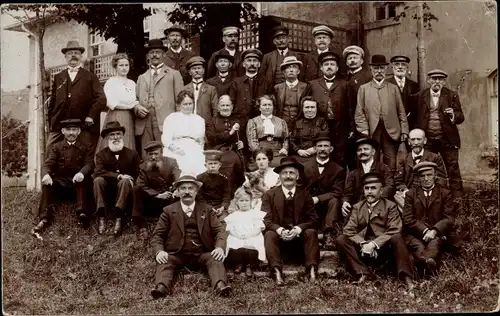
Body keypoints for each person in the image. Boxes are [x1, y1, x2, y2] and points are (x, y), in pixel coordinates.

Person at [150, 175, 231, 298]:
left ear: (196, 191)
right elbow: (158, 235)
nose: (187, 191)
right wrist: (159, 251)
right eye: (183, 188)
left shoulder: (207, 210)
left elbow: (220, 231)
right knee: (165, 260)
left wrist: (219, 247)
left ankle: (220, 285)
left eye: (190, 188)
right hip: (177, 254)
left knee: (215, 259)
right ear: (177, 191)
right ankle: (161, 287)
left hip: (202, 253)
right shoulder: (168, 210)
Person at [335, 172, 414, 288]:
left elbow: (395, 229)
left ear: (381, 191)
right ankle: (363, 272)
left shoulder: (390, 206)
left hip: (383, 250)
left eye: (373, 188)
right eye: (366, 188)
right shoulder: (358, 207)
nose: (369, 192)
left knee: (397, 237)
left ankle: (406, 277)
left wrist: (374, 244)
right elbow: (348, 230)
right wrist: (363, 243)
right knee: (341, 239)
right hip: (363, 251)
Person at [263, 157, 320, 285]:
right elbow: (266, 220)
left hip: (299, 245)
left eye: (291, 173)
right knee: (269, 233)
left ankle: (312, 270)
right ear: (279, 176)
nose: (288, 176)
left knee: (311, 232)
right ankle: (276, 272)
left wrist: (298, 229)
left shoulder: (305, 195)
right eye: (284, 173)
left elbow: (314, 219)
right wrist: (280, 230)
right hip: (279, 245)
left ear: (297, 176)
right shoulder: (269, 195)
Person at [33, 119, 94, 235]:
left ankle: (82, 213)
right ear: (62, 131)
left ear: (79, 131)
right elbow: (48, 164)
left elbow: (89, 163)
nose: (71, 133)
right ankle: (44, 218)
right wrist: (46, 175)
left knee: (84, 181)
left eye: (74, 130)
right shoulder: (56, 147)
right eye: (68, 130)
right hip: (61, 185)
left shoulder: (86, 146)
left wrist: (81, 173)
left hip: (77, 186)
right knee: (46, 185)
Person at [47, 40, 106, 156]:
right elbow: (53, 101)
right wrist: (51, 121)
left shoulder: (90, 77)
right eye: (70, 53)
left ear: (81, 56)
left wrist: (91, 116)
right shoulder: (59, 77)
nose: (73, 55)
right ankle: (49, 174)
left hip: (83, 123)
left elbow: (101, 98)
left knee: (85, 152)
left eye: (76, 53)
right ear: (65, 57)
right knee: (51, 149)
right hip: (61, 123)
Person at [413, 69, 465, 198]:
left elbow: (461, 116)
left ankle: (459, 204)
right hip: (428, 140)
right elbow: (414, 118)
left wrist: (453, 114)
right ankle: (431, 199)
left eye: (440, 79)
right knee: (427, 169)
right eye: (434, 79)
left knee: (453, 170)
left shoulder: (451, 95)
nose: (437, 82)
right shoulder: (420, 96)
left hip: (447, 139)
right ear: (428, 80)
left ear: (444, 81)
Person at [355, 54, 409, 172]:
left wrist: (404, 130)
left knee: (391, 162)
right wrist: (364, 129)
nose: (379, 71)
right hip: (371, 130)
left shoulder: (393, 88)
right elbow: (359, 112)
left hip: (390, 131)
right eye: (376, 68)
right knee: (372, 161)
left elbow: (401, 111)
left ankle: (390, 187)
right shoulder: (364, 89)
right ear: (371, 70)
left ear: (385, 69)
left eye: (381, 68)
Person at [402, 162, 458, 275]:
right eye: (422, 176)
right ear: (418, 178)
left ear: (435, 175)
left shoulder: (445, 193)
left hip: (437, 233)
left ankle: (423, 263)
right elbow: (407, 218)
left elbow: (449, 217)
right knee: (418, 245)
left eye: (429, 175)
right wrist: (425, 230)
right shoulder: (411, 194)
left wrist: (435, 230)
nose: (426, 179)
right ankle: (430, 265)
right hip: (416, 233)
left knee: (434, 243)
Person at [135, 39, 184, 159]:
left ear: (163, 54)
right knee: (146, 154)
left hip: (165, 120)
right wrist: (137, 108)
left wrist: (178, 122)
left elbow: (181, 100)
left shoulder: (174, 74)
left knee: (165, 153)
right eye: (151, 52)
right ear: (148, 55)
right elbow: (135, 99)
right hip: (144, 120)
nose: (154, 55)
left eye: (157, 52)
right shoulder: (142, 77)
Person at [93, 121, 141, 236]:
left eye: (118, 134)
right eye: (112, 135)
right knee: (97, 180)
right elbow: (98, 171)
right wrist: (118, 176)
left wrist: (131, 180)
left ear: (122, 135)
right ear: (107, 138)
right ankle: (101, 216)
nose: (116, 137)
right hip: (108, 189)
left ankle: (119, 217)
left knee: (125, 181)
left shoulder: (132, 154)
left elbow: (139, 172)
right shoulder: (101, 155)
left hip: (126, 190)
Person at [305, 51, 350, 167]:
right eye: (326, 64)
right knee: (320, 156)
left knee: (340, 157)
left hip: (340, 128)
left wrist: (352, 127)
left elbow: (351, 107)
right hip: (319, 127)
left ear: (337, 68)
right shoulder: (312, 84)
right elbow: (305, 104)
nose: (329, 67)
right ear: (321, 68)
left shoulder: (345, 84)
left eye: (332, 64)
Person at [302, 132, 345, 249]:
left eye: (326, 146)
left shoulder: (338, 169)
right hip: (308, 204)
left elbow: (337, 191)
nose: (322, 149)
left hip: (327, 205)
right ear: (315, 148)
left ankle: (328, 235)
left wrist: (318, 199)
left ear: (331, 149)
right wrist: (309, 199)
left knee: (335, 200)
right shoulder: (304, 166)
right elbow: (300, 188)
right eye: (319, 146)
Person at [132, 141, 181, 239]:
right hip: (152, 201)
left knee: (181, 192)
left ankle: (174, 226)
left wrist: (176, 189)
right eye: (151, 154)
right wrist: (157, 195)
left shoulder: (172, 162)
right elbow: (140, 184)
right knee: (135, 189)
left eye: (156, 154)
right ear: (147, 155)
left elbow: (178, 179)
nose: (153, 157)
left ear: (162, 153)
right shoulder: (143, 167)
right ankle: (141, 225)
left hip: (168, 199)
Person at [394, 129, 448, 209]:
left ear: (425, 141)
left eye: (419, 139)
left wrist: (431, 191)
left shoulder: (435, 157)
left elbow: (442, 178)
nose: (416, 143)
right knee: (398, 196)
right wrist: (405, 190)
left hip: (429, 192)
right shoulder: (404, 159)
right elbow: (398, 180)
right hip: (410, 193)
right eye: (413, 139)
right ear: (409, 142)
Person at [342, 138, 394, 219]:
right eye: (359, 150)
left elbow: (390, 186)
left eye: (366, 149)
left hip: (380, 205)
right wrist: (345, 202)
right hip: (360, 207)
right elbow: (348, 192)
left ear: (373, 152)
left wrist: (375, 199)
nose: (362, 152)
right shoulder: (353, 173)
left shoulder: (383, 168)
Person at [96, 53, 138, 153]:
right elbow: (110, 102)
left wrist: (131, 106)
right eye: (121, 65)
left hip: (128, 117)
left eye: (126, 65)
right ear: (115, 67)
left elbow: (134, 99)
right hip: (115, 115)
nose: (124, 68)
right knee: (114, 139)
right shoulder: (111, 82)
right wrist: (128, 106)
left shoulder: (132, 83)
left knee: (126, 141)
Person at [205, 95, 245, 193]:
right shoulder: (211, 121)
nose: (225, 108)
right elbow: (212, 139)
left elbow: (242, 137)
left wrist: (242, 143)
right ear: (218, 107)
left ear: (232, 107)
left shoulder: (237, 120)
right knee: (229, 161)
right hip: (217, 151)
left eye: (228, 105)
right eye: (223, 105)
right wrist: (230, 132)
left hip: (234, 150)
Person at [162, 90, 206, 176]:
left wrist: (198, 150)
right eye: (185, 104)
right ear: (178, 105)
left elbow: (201, 141)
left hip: (193, 147)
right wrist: (175, 149)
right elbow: (166, 138)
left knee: (198, 163)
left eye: (190, 104)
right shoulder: (172, 118)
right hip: (176, 146)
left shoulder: (199, 119)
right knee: (179, 162)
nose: (188, 106)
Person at [224, 187, 266, 277]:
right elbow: (230, 229)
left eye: (246, 200)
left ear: (251, 201)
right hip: (237, 236)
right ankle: (238, 264)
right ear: (237, 202)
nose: (244, 203)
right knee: (235, 247)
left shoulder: (255, 214)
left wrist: (249, 235)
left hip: (252, 236)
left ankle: (249, 265)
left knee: (252, 247)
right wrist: (238, 235)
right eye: (241, 201)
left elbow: (259, 228)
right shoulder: (234, 215)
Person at [344, 45, 372, 171]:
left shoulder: (367, 76)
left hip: (362, 121)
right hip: (346, 121)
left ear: (361, 60)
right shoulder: (344, 77)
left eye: (355, 57)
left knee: (362, 153)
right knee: (348, 154)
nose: (352, 60)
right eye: (350, 58)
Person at [247, 95, 289, 167]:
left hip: (278, 152)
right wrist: (260, 154)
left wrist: (284, 148)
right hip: (260, 153)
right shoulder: (253, 121)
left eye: (269, 105)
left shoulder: (281, 121)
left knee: (283, 165)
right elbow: (252, 141)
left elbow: (286, 139)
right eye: (264, 105)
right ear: (259, 107)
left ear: (273, 107)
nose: (267, 107)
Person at [229, 48, 269, 123]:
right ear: (244, 64)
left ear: (259, 64)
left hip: (261, 120)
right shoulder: (236, 82)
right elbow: (232, 103)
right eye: (249, 60)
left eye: (255, 61)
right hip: (240, 121)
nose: (252, 64)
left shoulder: (266, 82)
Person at [260, 26, 302, 91]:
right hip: (272, 91)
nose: (281, 40)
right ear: (274, 41)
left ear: (288, 39)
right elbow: (262, 76)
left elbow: (300, 76)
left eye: (284, 38)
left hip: (291, 90)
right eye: (278, 38)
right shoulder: (267, 57)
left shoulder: (296, 56)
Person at [289, 96, 329, 163]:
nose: (310, 110)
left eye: (312, 107)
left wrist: (315, 149)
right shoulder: (296, 122)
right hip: (299, 155)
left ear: (316, 108)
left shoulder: (322, 122)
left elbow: (325, 139)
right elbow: (291, 140)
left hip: (317, 155)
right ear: (302, 109)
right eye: (307, 107)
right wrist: (298, 150)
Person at [272, 56, 308, 129]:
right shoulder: (277, 88)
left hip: (301, 125)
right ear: (283, 72)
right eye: (288, 67)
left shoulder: (306, 87)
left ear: (298, 71)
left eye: (294, 67)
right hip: (281, 124)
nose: (291, 70)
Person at [196, 150, 231, 219]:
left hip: (220, 206)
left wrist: (222, 207)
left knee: (225, 221)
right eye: (210, 164)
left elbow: (226, 196)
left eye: (215, 163)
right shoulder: (200, 178)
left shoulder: (224, 179)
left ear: (219, 165)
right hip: (205, 206)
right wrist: (209, 208)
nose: (213, 166)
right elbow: (199, 197)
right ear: (205, 165)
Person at [388, 55, 420, 131]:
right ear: (392, 67)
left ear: (407, 68)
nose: (400, 67)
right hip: (392, 124)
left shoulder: (414, 85)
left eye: (403, 64)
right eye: (397, 64)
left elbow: (416, 108)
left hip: (410, 124)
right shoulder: (387, 84)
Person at [182, 56, 218, 122]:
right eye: (194, 68)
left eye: (199, 68)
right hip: (188, 122)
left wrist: (212, 124)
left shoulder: (211, 89)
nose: (197, 71)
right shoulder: (184, 89)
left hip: (206, 124)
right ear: (189, 72)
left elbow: (215, 110)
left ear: (203, 70)